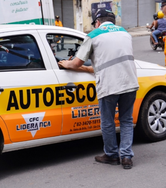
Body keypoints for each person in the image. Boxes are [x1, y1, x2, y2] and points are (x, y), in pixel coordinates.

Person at [58, 9, 139, 170]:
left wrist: (65, 64)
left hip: (109, 85)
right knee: (126, 120)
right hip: (130, 82)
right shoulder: (125, 33)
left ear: (98, 22)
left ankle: (111, 155)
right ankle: (127, 157)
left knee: (108, 122)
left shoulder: (94, 35)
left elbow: (76, 63)